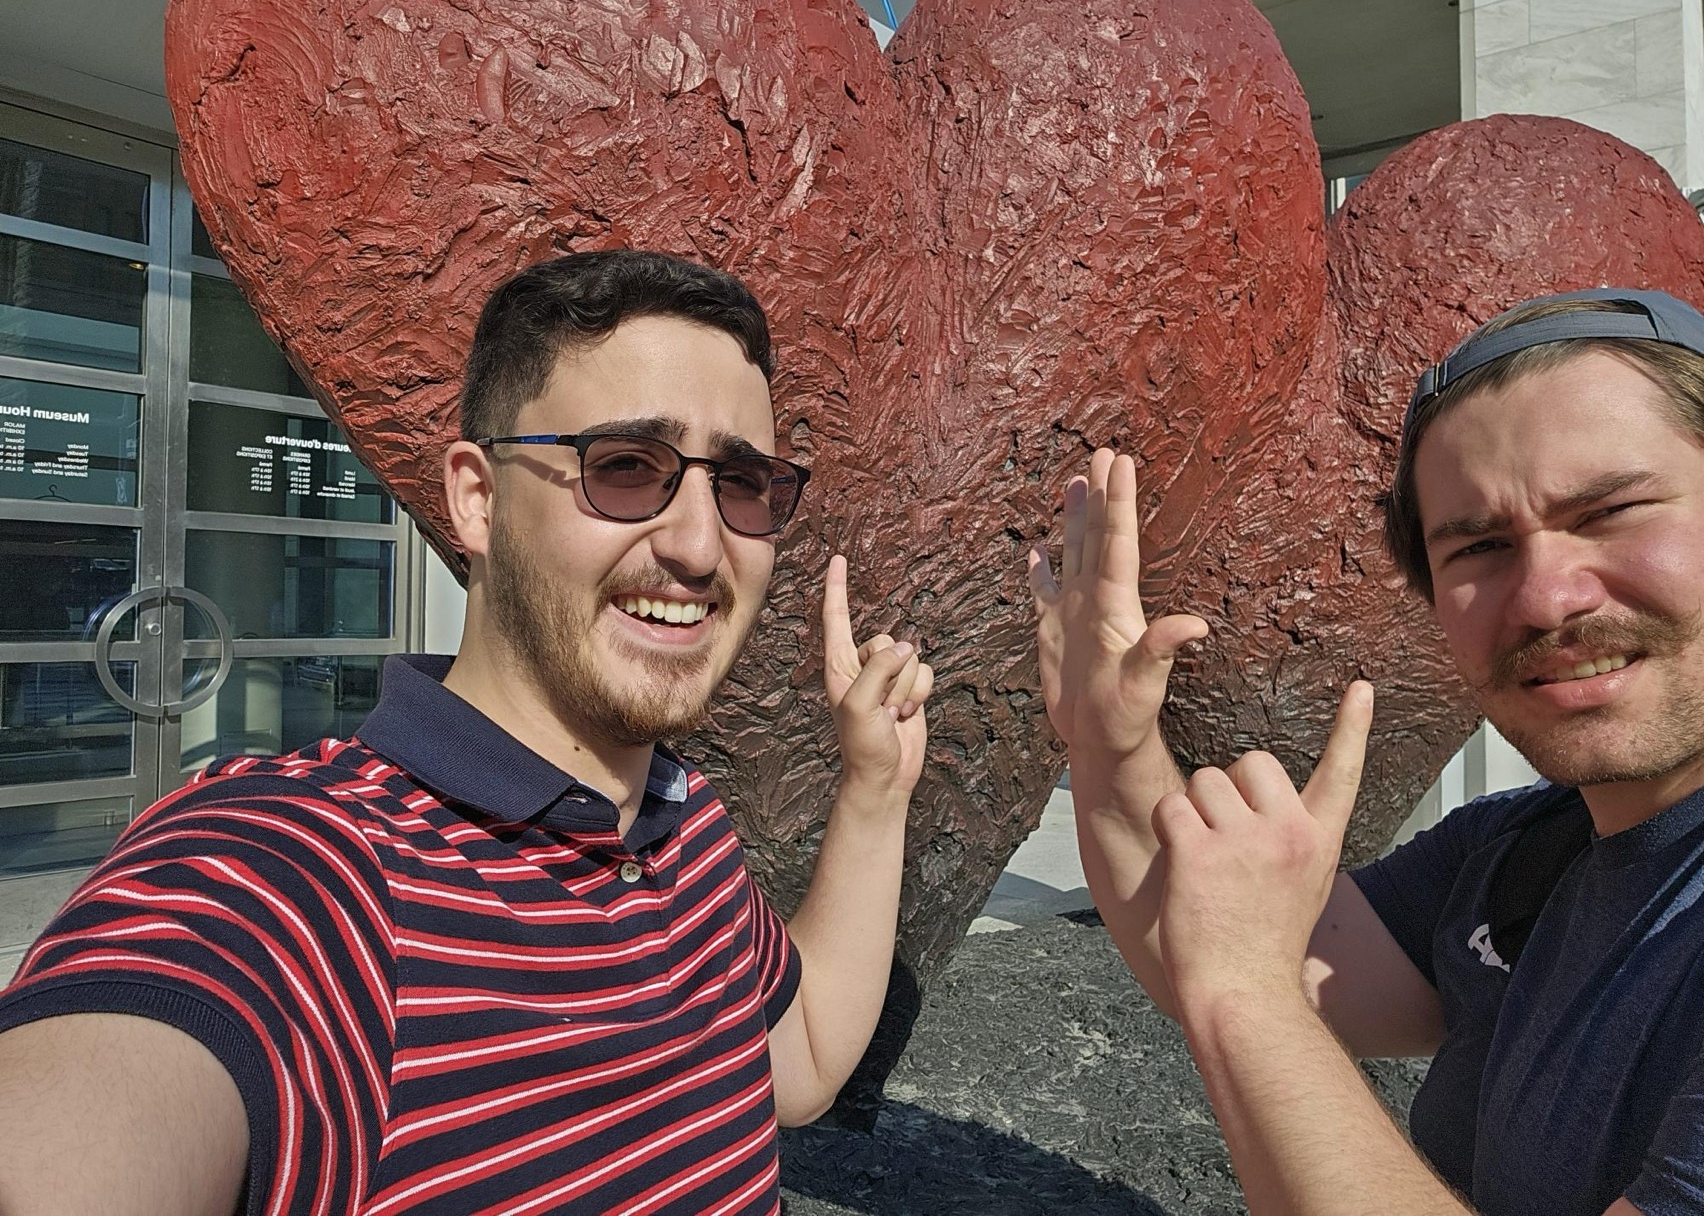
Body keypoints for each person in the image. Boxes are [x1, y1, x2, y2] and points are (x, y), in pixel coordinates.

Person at [0, 249, 933, 1215]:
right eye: (624, 467)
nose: (700, 546)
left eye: (740, 484)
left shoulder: (679, 815)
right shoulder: (297, 874)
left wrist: (873, 789)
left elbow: (806, 1054)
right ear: (476, 500)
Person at [1031, 287, 1704, 1216]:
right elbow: (1211, 939)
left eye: (1612, 510)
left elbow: (1247, 974)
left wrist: (1249, 996)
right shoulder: (1520, 852)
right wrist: (1108, 749)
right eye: (1480, 547)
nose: (1546, 597)